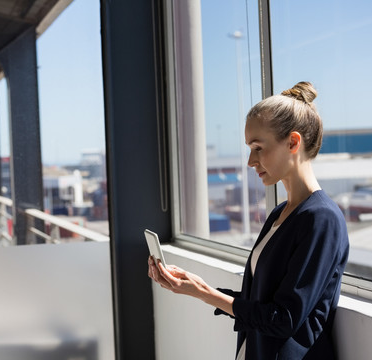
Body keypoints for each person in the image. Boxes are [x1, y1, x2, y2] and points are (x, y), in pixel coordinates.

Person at [148, 81, 350, 360]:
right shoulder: (280, 214)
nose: (250, 161)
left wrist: (206, 294)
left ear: (293, 142)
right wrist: (196, 288)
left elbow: (284, 318)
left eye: (257, 148)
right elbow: (261, 303)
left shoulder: (321, 219)